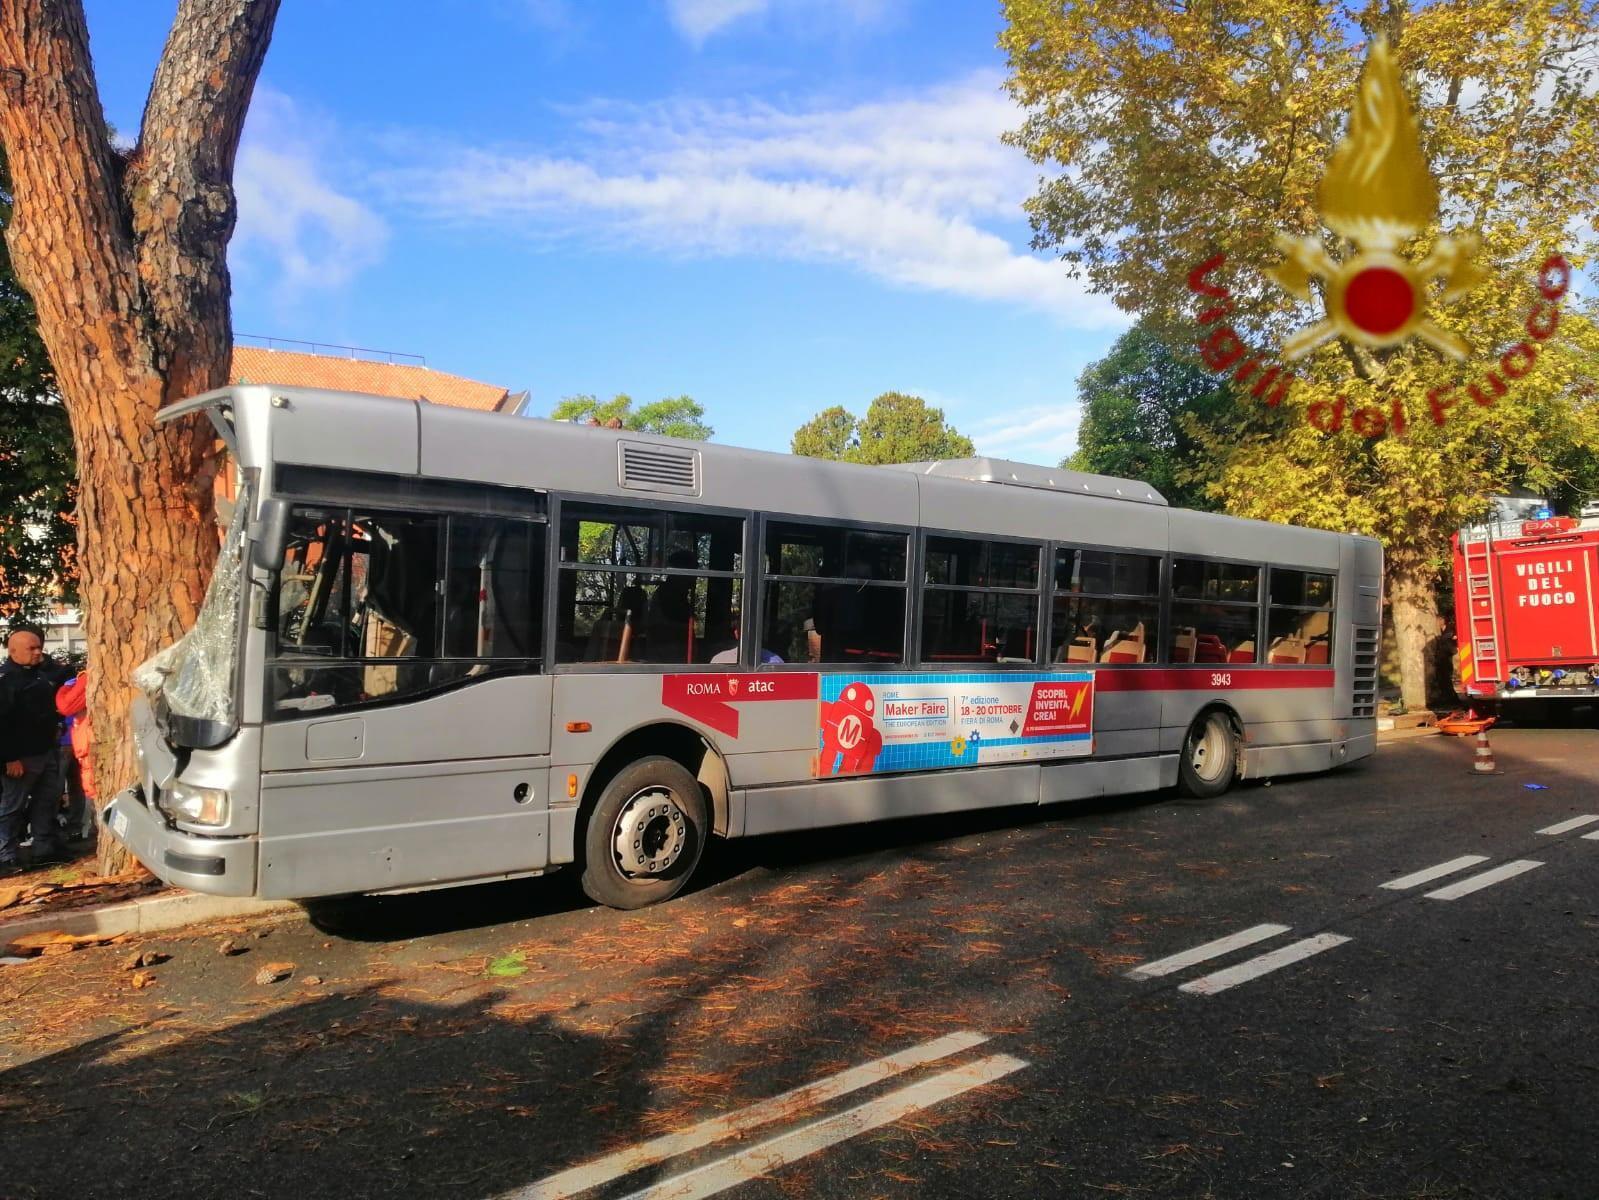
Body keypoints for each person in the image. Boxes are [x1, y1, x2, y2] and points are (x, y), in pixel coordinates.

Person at [0, 627, 71, 871]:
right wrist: (9, 759)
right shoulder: (5, 681)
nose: (37, 652)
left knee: (46, 802)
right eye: (31, 648)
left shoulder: (40, 676)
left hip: (46, 751)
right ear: (13, 651)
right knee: (12, 808)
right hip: (20, 758)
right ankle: (5, 855)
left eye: (39, 647)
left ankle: (44, 849)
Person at [56, 670, 94, 843]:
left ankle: (73, 829)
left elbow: (65, 705)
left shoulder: (81, 679)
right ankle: (68, 828)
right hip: (74, 742)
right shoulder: (78, 679)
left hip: (80, 743)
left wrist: (65, 687)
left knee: (80, 788)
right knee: (73, 789)